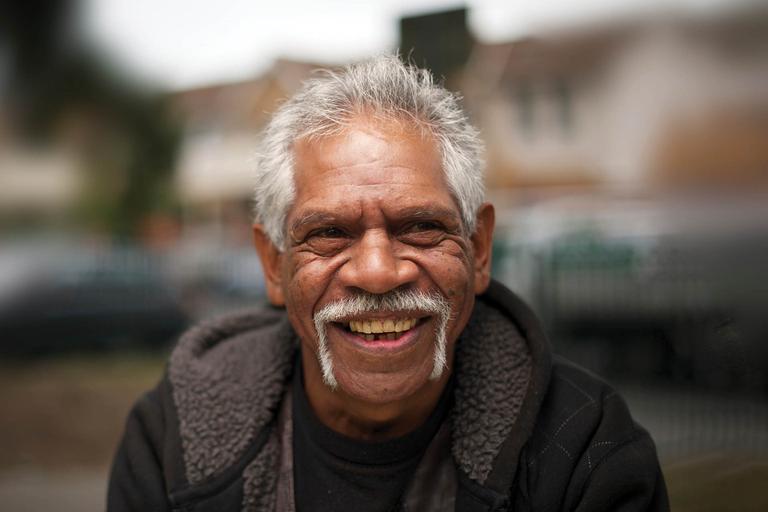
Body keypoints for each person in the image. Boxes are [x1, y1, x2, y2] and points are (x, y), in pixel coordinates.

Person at [108, 55, 668, 511]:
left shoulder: (586, 449)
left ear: (477, 250)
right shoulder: (172, 439)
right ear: (272, 264)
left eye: (421, 227)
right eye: (329, 233)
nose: (377, 273)